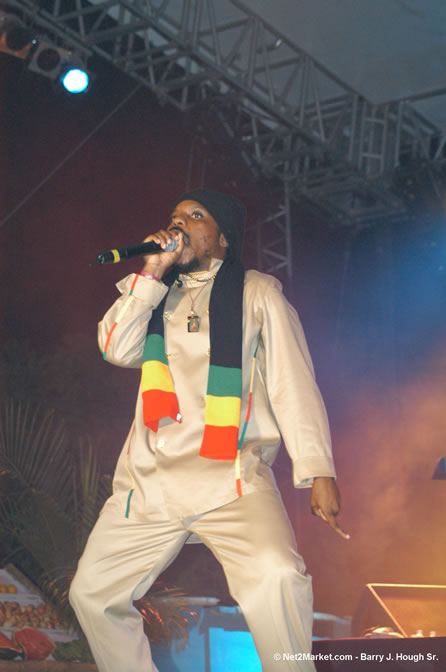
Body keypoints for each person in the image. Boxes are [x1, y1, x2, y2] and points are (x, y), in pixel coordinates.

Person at [69, 188, 349, 672]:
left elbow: (293, 383)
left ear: (222, 238)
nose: (179, 223)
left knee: (279, 576)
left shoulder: (256, 292)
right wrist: (151, 273)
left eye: (195, 216)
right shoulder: (156, 293)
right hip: (151, 481)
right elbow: (115, 347)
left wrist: (318, 468)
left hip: (230, 477)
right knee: (92, 594)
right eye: (175, 216)